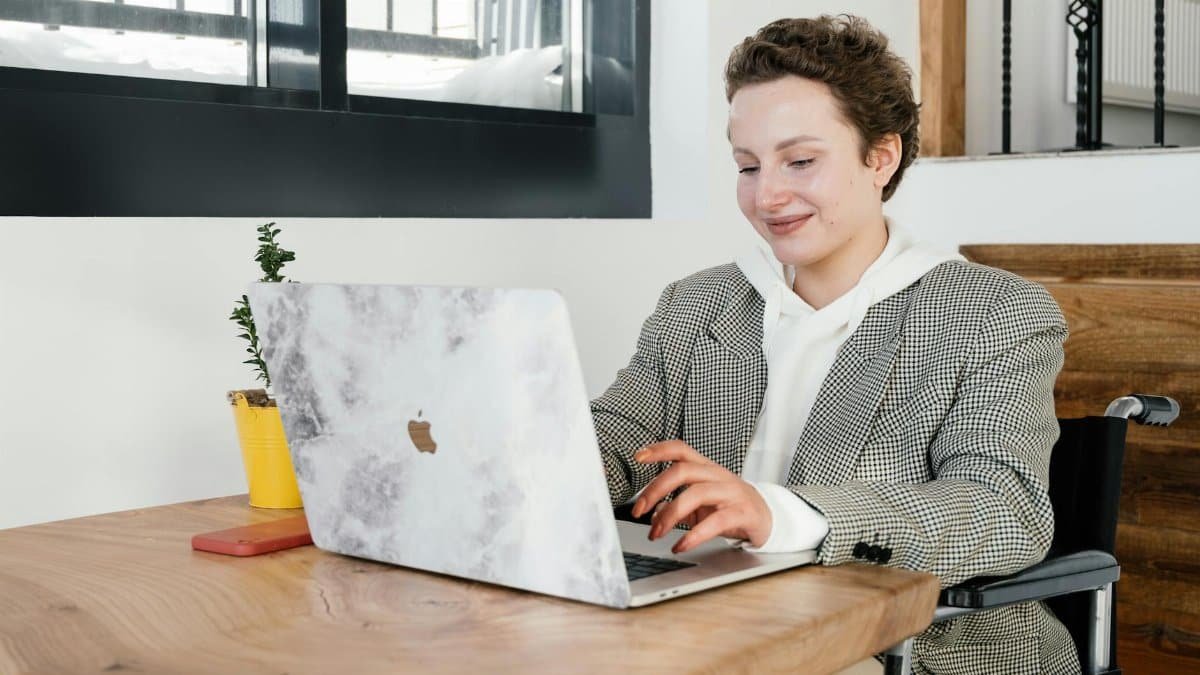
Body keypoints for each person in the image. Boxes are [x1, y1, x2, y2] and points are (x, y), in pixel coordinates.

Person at [591, 15, 1080, 675]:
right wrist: (530, 458)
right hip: (711, 620)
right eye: (747, 165)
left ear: (881, 156)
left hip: (910, 646)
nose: (767, 195)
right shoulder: (697, 303)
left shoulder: (995, 313)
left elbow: (1003, 508)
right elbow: (620, 434)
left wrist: (782, 512)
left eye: (800, 160)